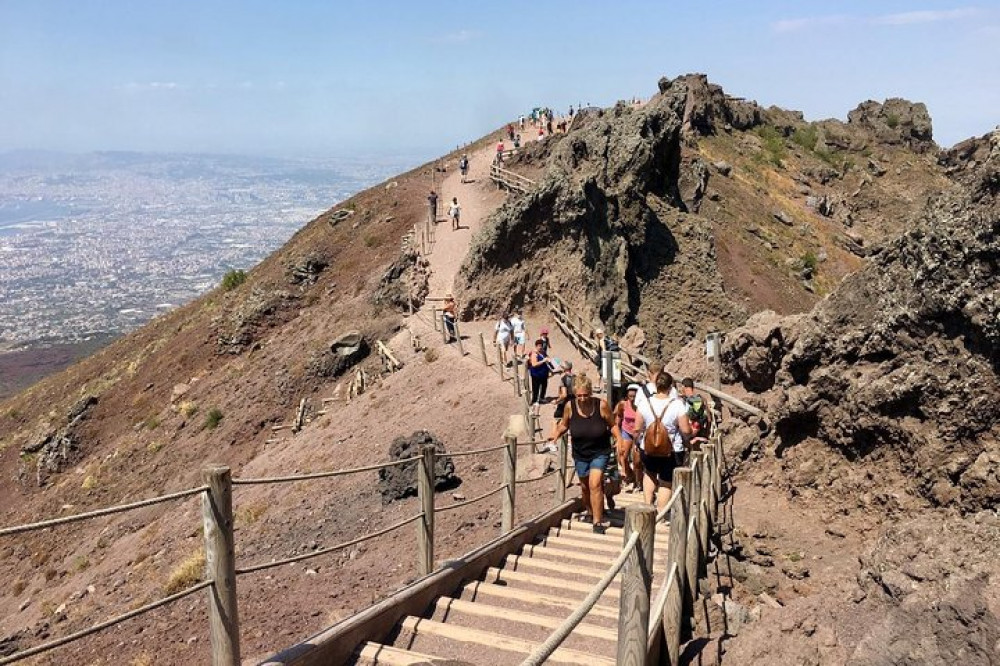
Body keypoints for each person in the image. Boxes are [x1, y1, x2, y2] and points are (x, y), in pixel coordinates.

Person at [547, 374, 619, 533]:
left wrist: (619, 439)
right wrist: (555, 435)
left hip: (600, 451)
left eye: (585, 395)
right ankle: (590, 511)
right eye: (579, 395)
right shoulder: (569, 406)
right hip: (580, 453)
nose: (582, 398)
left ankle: (597, 522)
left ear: (591, 393)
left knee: (595, 484)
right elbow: (564, 424)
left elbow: (612, 424)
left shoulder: (601, 405)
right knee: (585, 487)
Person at [633, 371, 691, 510]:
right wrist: (688, 439)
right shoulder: (677, 405)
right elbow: (685, 430)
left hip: (647, 447)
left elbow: (637, 429)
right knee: (666, 481)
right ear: (670, 387)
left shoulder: (644, 403)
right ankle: (660, 513)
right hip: (671, 449)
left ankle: (647, 507)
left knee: (649, 472)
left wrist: (636, 442)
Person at [614, 384, 642, 491]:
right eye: (630, 396)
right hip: (626, 430)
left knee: (637, 460)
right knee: (622, 455)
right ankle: (630, 474)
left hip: (638, 433)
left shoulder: (642, 406)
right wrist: (617, 434)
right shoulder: (623, 405)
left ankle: (638, 479)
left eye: (634, 396)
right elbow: (619, 417)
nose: (632, 399)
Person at [680, 377, 712, 450]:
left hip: (691, 434)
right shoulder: (700, 399)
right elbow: (708, 419)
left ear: (684, 387)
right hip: (698, 432)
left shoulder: (689, 401)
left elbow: (688, 417)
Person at [526, 338, 552, 414]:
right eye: (539, 346)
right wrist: (543, 361)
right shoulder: (534, 354)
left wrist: (549, 360)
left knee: (544, 386)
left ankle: (541, 398)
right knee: (536, 387)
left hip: (544, 373)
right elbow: (534, 364)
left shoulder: (543, 352)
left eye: (541, 345)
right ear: (536, 346)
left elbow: (548, 358)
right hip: (536, 374)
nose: (540, 347)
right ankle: (534, 400)